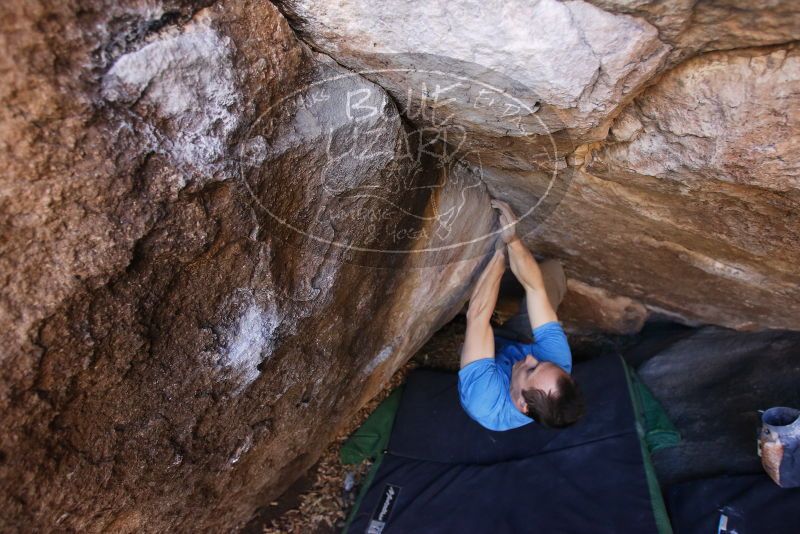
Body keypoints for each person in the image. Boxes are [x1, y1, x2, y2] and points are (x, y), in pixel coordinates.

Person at [458, 199, 585, 431]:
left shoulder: (486, 401)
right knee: (551, 273)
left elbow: (477, 317)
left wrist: (497, 253)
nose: (531, 358)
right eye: (542, 362)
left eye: (531, 370)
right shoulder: (557, 366)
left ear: (522, 404)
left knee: (475, 322)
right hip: (517, 337)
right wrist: (512, 240)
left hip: (487, 358)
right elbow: (535, 288)